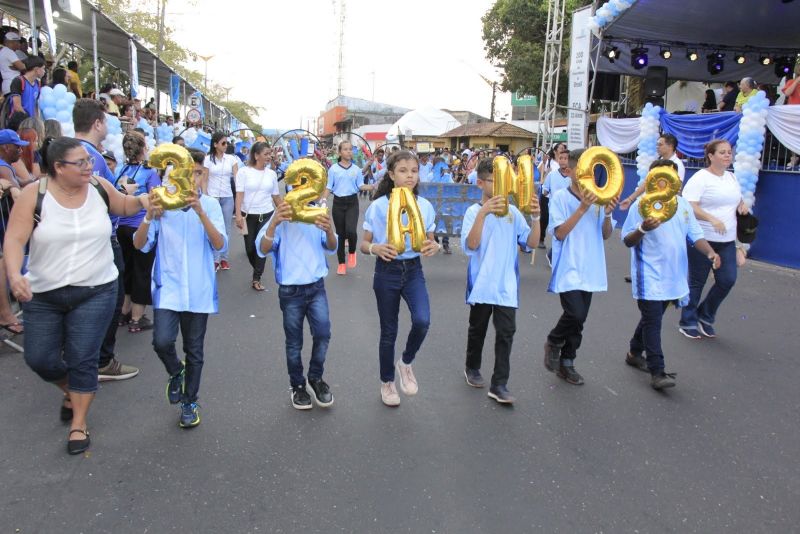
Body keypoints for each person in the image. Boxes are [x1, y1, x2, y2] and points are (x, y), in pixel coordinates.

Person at [3, 137, 151, 454]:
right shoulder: (34, 195)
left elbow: (122, 205)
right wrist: (15, 276)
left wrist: (143, 201)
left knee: (83, 357)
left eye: (88, 160)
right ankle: (71, 390)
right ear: (58, 167)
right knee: (40, 358)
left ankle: (79, 423)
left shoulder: (98, 186)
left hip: (96, 289)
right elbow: (14, 241)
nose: (89, 166)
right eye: (80, 162)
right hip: (43, 293)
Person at [133, 148, 226, 428]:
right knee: (161, 341)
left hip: (198, 290)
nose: (192, 178)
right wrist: (149, 216)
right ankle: (176, 371)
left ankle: (189, 401)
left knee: (194, 349)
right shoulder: (163, 204)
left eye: (198, 173)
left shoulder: (209, 205)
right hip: (169, 287)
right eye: (188, 172)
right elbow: (139, 244)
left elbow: (220, 244)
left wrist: (200, 212)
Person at [621, 160, 721, 390]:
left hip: (673, 277)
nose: (668, 183)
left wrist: (710, 253)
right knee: (653, 321)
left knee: (651, 318)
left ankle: (634, 352)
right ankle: (658, 371)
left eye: (672, 177)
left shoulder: (683, 206)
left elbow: (695, 235)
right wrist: (643, 228)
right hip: (649, 276)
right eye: (662, 177)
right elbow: (627, 240)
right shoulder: (641, 206)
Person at [360, 150, 440, 407]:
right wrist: (376, 248)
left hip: (413, 270)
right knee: (389, 331)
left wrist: (434, 246)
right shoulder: (379, 206)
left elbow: (430, 239)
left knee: (422, 320)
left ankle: (405, 362)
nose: (409, 176)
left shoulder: (425, 206)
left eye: (414, 171)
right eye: (403, 171)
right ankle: (387, 382)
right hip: (387, 271)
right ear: (392, 175)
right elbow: (364, 243)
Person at [461, 159, 541, 404]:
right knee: (478, 330)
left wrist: (537, 218)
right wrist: (484, 214)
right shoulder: (473, 212)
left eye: (504, 182)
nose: (500, 187)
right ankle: (472, 367)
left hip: (506, 285)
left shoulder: (514, 213)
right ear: (481, 183)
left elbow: (531, 243)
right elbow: (471, 245)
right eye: (495, 182)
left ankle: (499, 384)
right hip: (482, 284)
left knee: (506, 333)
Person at [73, 98, 140, 381]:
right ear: (97, 123)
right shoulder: (93, 158)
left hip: (76, 239)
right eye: (105, 121)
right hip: (101, 238)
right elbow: (109, 200)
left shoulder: (64, 151)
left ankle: (81, 356)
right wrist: (127, 192)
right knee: (110, 298)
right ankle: (101, 360)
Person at [543, 148, 618, 385]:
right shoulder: (561, 198)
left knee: (580, 319)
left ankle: (568, 362)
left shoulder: (598, 198)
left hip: (591, 267)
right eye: (582, 168)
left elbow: (606, 235)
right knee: (575, 313)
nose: (588, 174)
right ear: (569, 170)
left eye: (591, 168)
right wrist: (582, 208)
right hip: (568, 265)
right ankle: (554, 340)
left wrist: (606, 214)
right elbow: (560, 233)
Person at [256, 196, 338, 410]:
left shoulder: (317, 213)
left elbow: (332, 246)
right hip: (290, 291)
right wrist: (274, 223)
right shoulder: (282, 215)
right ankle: (297, 385)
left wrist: (329, 229)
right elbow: (263, 249)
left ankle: (315, 378)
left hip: (316, 287)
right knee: (294, 342)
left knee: (322, 334)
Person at [678, 139, 748, 339]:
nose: (728, 155)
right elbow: (689, 205)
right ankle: (687, 321)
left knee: (727, 280)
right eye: (722, 152)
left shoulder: (732, 178)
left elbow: (736, 200)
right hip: (702, 238)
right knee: (697, 282)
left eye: (729, 152)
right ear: (710, 156)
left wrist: (742, 206)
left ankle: (705, 315)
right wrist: (710, 218)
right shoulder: (701, 178)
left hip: (727, 240)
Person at [116, 132, 161, 332]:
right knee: (142, 272)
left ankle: (124, 312)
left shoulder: (120, 169)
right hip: (140, 226)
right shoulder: (149, 172)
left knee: (126, 270)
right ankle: (137, 317)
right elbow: (156, 200)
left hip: (120, 226)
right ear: (144, 148)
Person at [234, 141, 281, 291]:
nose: (269, 156)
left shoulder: (272, 174)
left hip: (267, 214)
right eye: (266, 154)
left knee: (261, 247)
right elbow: (239, 194)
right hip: (248, 215)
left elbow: (276, 196)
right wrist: (238, 215)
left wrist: (285, 212)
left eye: (270, 154)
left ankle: (256, 277)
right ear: (256, 155)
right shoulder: (244, 172)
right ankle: (258, 268)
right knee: (249, 249)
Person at [324, 140, 371, 275]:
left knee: (351, 231)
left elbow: (361, 186)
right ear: (339, 152)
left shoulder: (356, 169)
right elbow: (329, 187)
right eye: (345, 149)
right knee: (340, 234)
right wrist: (323, 200)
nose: (349, 151)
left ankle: (351, 252)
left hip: (352, 203)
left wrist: (373, 186)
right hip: (338, 203)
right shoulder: (333, 169)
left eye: (350, 149)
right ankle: (341, 263)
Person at [620, 133, 686, 211]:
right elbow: (647, 182)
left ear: (670, 146)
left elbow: (676, 190)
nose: (657, 147)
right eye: (657, 145)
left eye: (660, 145)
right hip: (650, 202)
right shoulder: (658, 162)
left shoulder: (678, 165)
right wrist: (630, 199)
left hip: (664, 207)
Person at [203, 131, 238, 271]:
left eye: (227, 143)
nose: (225, 145)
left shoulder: (232, 159)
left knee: (226, 229)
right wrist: (205, 196)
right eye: (223, 143)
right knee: (215, 228)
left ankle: (224, 258)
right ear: (215, 144)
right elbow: (204, 179)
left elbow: (237, 178)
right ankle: (215, 259)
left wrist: (241, 196)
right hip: (212, 198)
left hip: (227, 196)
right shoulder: (207, 159)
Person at [0, 31, 25, 96]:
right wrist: (20, 66)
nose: (19, 44)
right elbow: (22, 67)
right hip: (12, 85)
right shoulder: (9, 52)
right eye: (18, 42)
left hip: (8, 85)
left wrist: (15, 67)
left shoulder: (3, 51)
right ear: (11, 42)